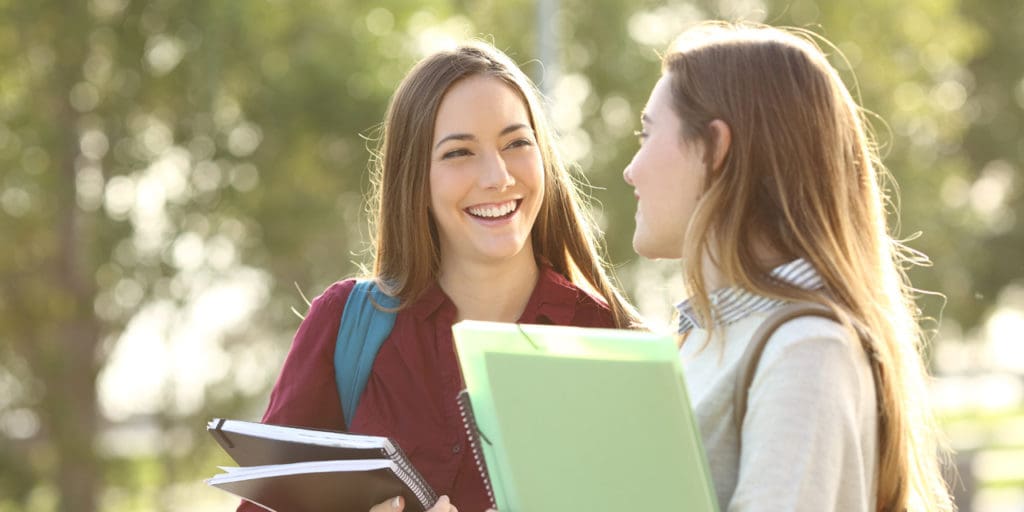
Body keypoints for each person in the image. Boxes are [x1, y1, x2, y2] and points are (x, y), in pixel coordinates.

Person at [238, 41, 640, 512]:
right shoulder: (343, 325)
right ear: (415, 179)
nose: (497, 176)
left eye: (516, 143)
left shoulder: (612, 347)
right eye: (458, 153)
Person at [622, 22, 953, 511]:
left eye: (647, 134)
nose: (632, 169)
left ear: (715, 149)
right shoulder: (705, 337)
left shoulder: (806, 350)